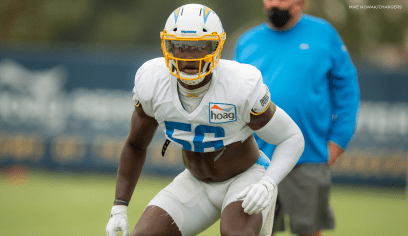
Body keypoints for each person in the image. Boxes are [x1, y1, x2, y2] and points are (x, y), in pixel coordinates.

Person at [105, 3, 304, 236]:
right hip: (196, 182)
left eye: (200, 47)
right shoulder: (152, 82)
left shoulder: (240, 85)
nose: (189, 56)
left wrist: (268, 183)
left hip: (246, 177)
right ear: (166, 46)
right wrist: (119, 206)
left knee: (235, 233)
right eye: (180, 46)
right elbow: (135, 144)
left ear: (217, 46)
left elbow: (292, 137)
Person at [234, 0, 360, 236]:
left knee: (309, 230)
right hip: (256, 158)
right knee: (254, 230)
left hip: (309, 156)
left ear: (300, 3)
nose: (275, 4)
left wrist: (339, 140)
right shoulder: (247, 41)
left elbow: (347, 89)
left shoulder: (324, 34)